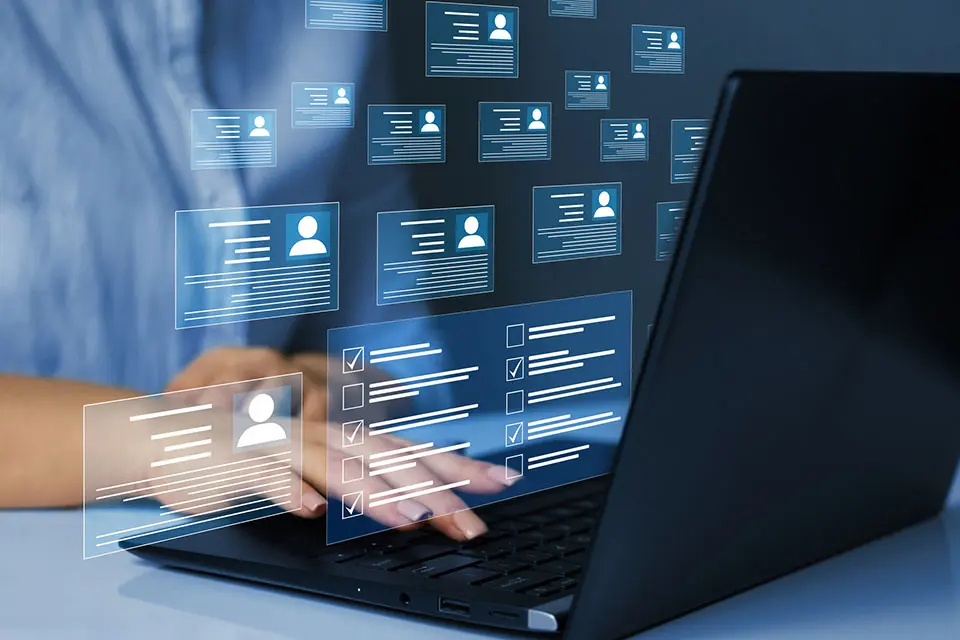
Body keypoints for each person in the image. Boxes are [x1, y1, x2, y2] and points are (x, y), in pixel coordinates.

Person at [0, 0, 505, 542]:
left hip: (263, 542)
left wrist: (323, 385)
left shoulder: (334, 19)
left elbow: (396, 355)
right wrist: (158, 441)